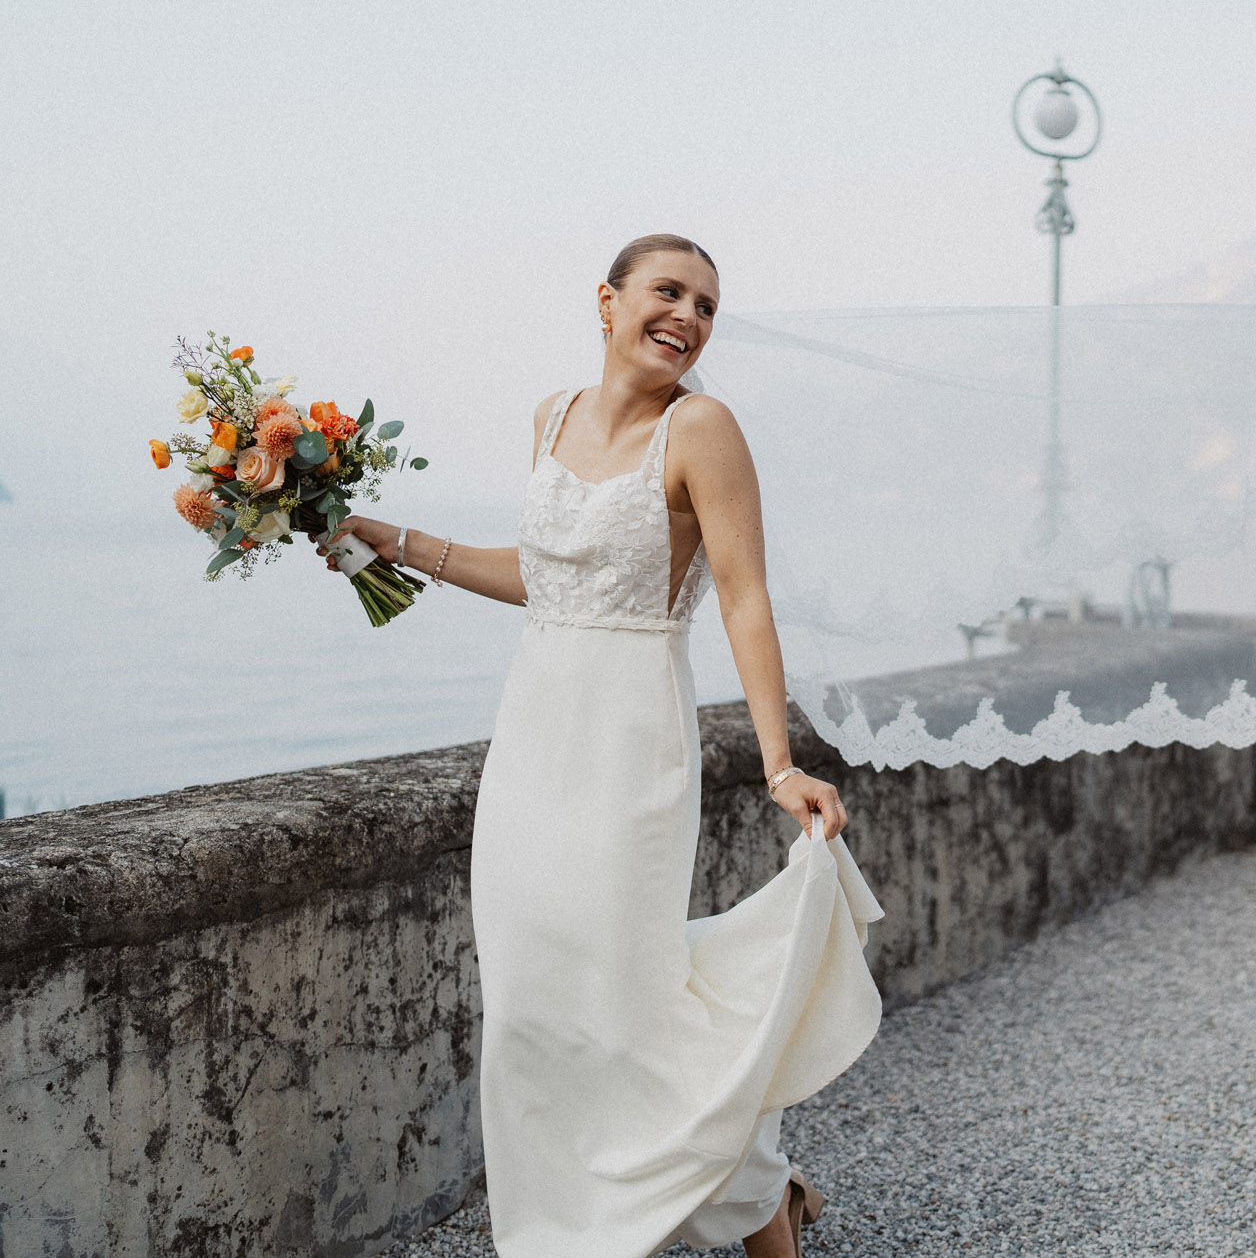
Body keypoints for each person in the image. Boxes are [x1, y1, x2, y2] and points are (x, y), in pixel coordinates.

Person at [331, 233, 883, 1258]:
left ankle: (763, 1206)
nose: (686, 317)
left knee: (628, 1004)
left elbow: (742, 594)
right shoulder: (550, 416)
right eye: (667, 292)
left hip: (632, 741)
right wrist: (390, 537)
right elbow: (547, 575)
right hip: (533, 737)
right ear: (607, 300)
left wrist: (778, 762)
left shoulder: (701, 428)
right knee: (536, 1010)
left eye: (706, 306)